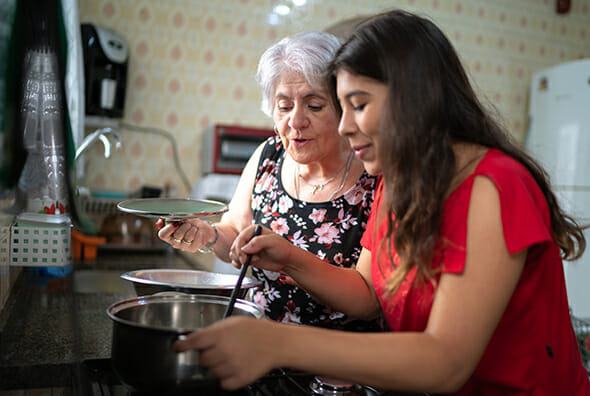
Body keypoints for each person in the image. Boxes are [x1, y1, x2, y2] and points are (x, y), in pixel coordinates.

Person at [172, 9, 590, 395]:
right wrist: (284, 257)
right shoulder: (399, 181)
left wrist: (281, 343)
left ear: (413, 98)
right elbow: (370, 294)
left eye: (357, 104)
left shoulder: (495, 186)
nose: (344, 126)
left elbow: (445, 361)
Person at [157, 30, 382, 331]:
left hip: (336, 363)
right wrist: (208, 235)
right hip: (260, 345)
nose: (296, 121)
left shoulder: (374, 174)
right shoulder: (268, 157)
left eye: (314, 106)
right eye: (284, 106)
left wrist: (290, 259)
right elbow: (236, 235)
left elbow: (367, 300)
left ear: (343, 106)